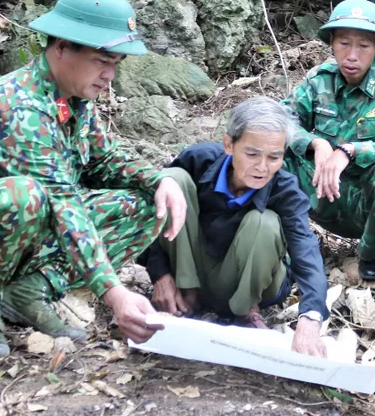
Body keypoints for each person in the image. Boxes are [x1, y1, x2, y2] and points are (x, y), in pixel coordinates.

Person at [0, 0, 187, 361]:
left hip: (25, 232)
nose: (110, 74)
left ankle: (26, 291)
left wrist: (160, 180)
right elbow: (61, 202)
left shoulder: (73, 97)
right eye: (101, 60)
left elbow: (104, 160)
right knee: (21, 197)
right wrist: (114, 292)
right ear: (61, 47)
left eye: (116, 63)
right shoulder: (17, 106)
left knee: (147, 204)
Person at [140, 97, 330, 357]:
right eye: (252, 154)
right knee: (172, 181)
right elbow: (152, 215)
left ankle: (245, 313)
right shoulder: (198, 160)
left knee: (265, 221)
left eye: (274, 157)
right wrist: (160, 274)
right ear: (229, 144)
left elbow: (305, 249)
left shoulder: (285, 190)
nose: (262, 167)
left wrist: (311, 316)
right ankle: (187, 296)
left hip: (242, 284)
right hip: (191, 270)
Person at [282, 0, 375, 281]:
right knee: (273, 157)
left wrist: (352, 150)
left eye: (363, 46)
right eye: (344, 44)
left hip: (368, 200)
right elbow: (281, 122)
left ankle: (371, 252)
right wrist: (315, 143)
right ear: (332, 44)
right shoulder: (318, 80)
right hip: (320, 189)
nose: (352, 55)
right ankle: (287, 245)